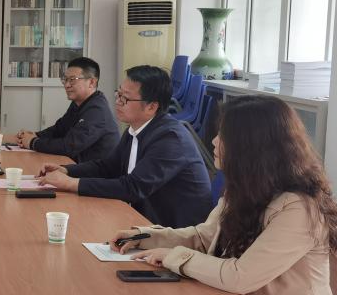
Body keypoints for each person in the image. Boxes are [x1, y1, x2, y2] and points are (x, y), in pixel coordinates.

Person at [110, 96, 337, 295]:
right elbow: (204, 238)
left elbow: (240, 277)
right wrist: (148, 237)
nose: (214, 141)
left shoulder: (300, 208)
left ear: (251, 145)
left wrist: (172, 256)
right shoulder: (247, 189)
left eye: (223, 135)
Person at [39, 65, 211, 228]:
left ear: (151, 106)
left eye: (125, 98)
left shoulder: (171, 139)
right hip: (145, 220)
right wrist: (67, 170)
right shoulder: (135, 128)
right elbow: (108, 167)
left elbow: (133, 187)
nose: (118, 102)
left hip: (177, 234)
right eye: (118, 94)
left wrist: (71, 184)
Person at [13, 56, 119, 162]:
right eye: (65, 79)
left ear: (92, 82)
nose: (67, 85)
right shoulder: (79, 102)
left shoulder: (97, 111)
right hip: (76, 164)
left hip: (94, 170)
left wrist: (33, 142)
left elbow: (69, 146)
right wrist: (34, 135)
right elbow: (59, 129)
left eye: (72, 80)